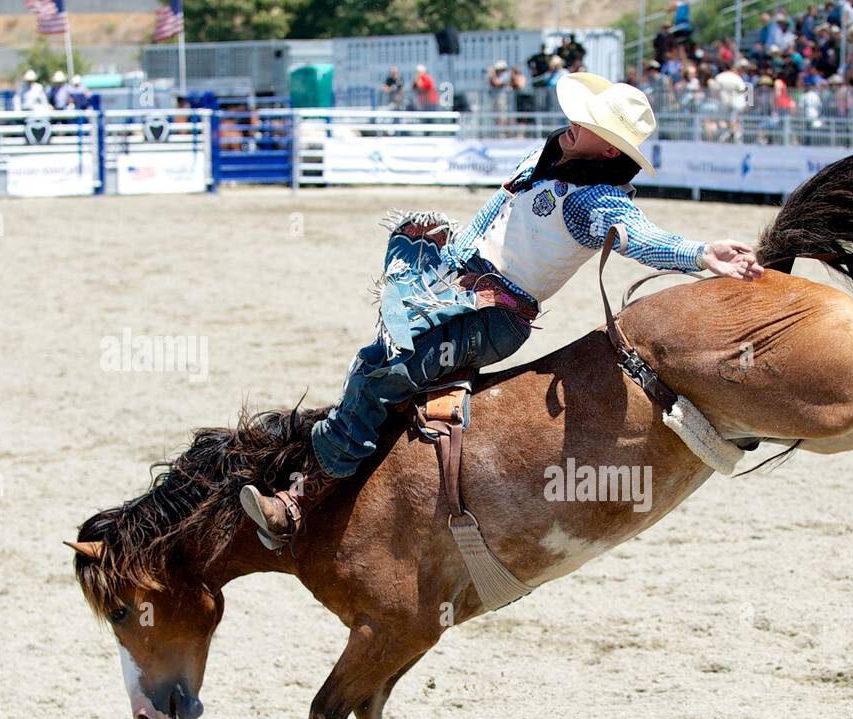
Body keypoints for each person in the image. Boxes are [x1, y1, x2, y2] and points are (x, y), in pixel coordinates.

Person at [240, 74, 764, 549]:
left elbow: (640, 238)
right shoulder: (546, 159)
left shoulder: (595, 200)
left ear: (607, 149)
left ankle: (297, 503)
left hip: (494, 318)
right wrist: (447, 263)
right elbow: (492, 214)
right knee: (386, 352)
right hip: (457, 288)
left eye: (589, 121)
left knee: (380, 371)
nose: (573, 122)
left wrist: (698, 254)